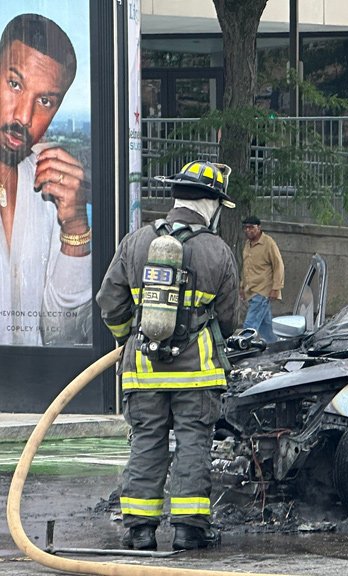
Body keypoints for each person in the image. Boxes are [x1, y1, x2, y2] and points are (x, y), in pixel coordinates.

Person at [96, 160, 239, 551]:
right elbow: (229, 318)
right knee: (194, 445)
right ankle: (188, 530)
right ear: (210, 203)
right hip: (198, 375)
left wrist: (129, 337)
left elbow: (109, 301)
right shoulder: (217, 251)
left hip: (143, 371)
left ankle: (140, 530)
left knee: (146, 443)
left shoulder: (137, 241)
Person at [0, 13, 90, 346]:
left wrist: (76, 228)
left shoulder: (48, 183)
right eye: (14, 84)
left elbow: (59, 333)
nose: (23, 116)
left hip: (37, 394)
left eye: (45, 101)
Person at [240, 215, 285, 342]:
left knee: (250, 326)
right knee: (266, 328)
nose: (248, 230)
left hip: (262, 291)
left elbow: (279, 266)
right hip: (251, 290)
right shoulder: (247, 244)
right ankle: (276, 348)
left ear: (259, 227)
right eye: (246, 228)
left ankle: (242, 350)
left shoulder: (268, 243)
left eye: (251, 227)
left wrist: (276, 288)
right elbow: (246, 267)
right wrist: (242, 286)